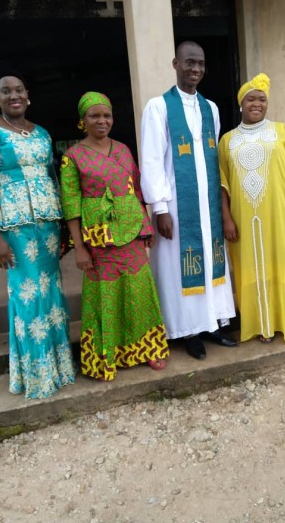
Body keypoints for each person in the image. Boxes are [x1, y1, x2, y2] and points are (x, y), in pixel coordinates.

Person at [0, 72, 75, 399]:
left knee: (51, 294)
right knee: (27, 296)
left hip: (48, 226)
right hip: (13, 229)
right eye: (6, 91)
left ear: (28, 95)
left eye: (18, 90)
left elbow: (52, 178)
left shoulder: (41, 133)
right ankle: (37, 375)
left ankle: (59, 368)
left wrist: (63, 227)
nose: (13, 95)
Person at [60, 91, 169, 381]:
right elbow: (70, 205)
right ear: (83, 120)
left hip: (131, 232)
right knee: (106, 298)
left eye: (106, 115)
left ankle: (148, 348)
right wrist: (79, 247)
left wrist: (145, 227)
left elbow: (136, 190)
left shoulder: (122, 149)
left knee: (139, 293)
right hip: (99, 239)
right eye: (94, 116)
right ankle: (108, 356)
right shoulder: (72, 157)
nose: (102, 121)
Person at [140, 41, 237, 360]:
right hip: (177, 207)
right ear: (176, 64)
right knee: (178, 267)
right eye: (189, 62)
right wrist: (160, 208)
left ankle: (212, 322)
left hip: (207, 206)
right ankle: (188, 330)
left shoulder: (211, 109)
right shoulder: (158, 107)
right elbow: (152, 159)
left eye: (201, 64)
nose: (196, 69)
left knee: (210, 260)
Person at [218, 73, 285, 345]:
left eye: (262, 99)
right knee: (251, 267)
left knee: (284, 264)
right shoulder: (227, 140)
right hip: (244, 218)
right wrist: (227, 219)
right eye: (251, 99)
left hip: (281, 214)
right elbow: (223, 185)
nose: (257, 104)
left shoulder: (282, 131)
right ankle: (261, 325)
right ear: (241, 104)